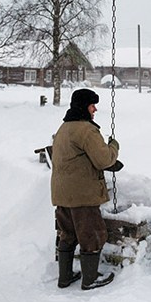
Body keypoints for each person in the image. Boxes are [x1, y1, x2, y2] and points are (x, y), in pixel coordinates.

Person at [51, 88, 120, 290]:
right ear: (84, 106)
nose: (95, 109)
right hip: (82, 196)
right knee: (92, 235)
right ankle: (90, 280)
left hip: (62, 194)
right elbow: (103, 159)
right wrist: (113, 147)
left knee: (68, 235)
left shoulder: (64, 128)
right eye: (92, 105)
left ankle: (64, 278)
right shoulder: (86, 130)